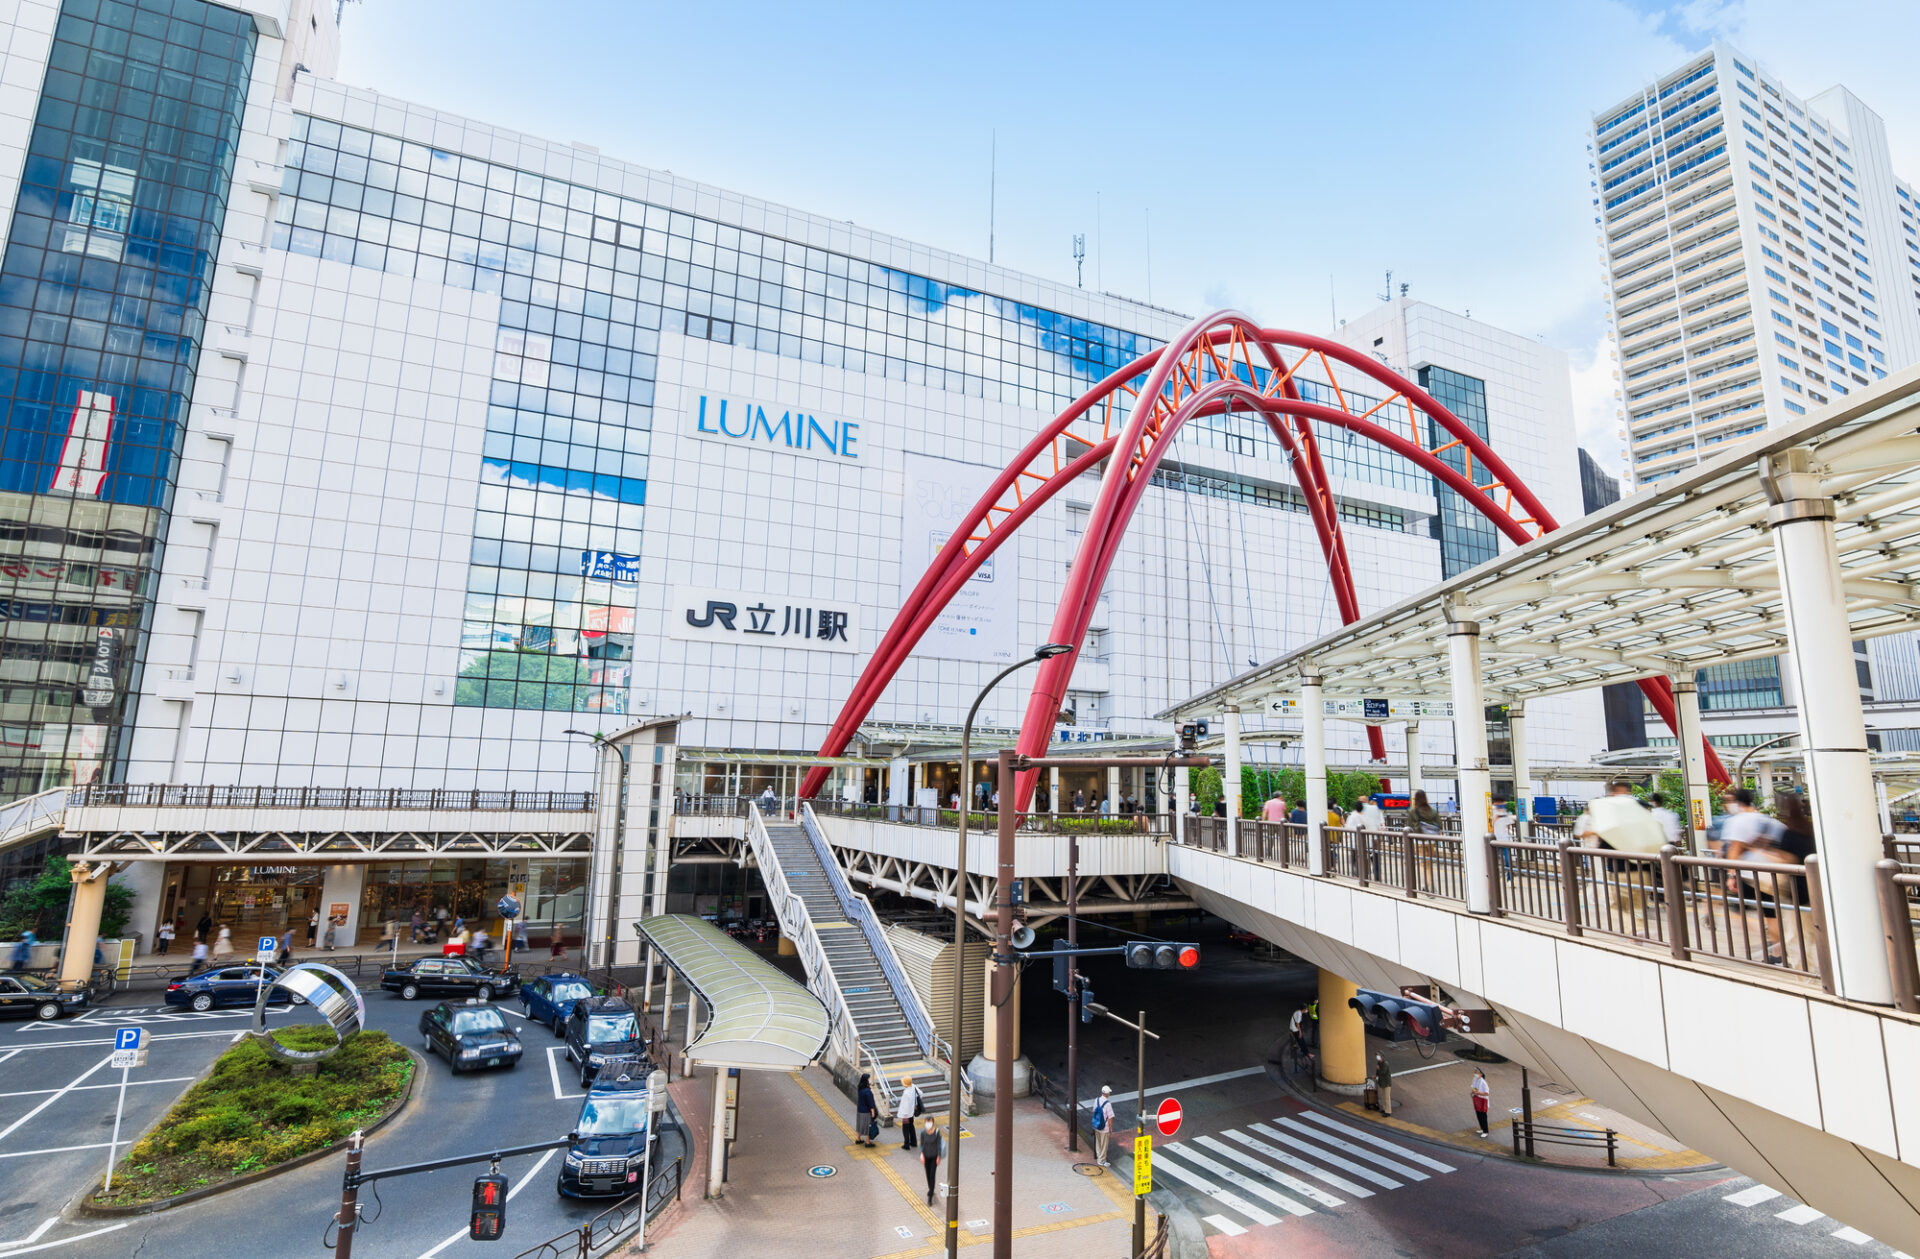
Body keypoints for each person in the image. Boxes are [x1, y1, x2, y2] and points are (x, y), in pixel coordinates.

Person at [920, 1116, 943, 1206]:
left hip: (934, 1157)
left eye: (929, 1122)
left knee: (932, 1175)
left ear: (933, 1123)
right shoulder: (923, 1133)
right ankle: (931, 1188)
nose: (928, 1124)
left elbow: (939, 1145)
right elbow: (922, 1144)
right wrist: (921, 1153)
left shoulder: (937, 1132)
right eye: (927, 1122)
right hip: (926, 1156)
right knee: (928, 1174)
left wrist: (939, 1156)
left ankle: (930, 1195)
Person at [1090, 1084, 1115, 1166]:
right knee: (1104, 1145)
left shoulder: (1096, 1100)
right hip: (1105, 1128)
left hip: (1097, 1125)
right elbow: (1110, 1117)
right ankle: (1102, 1161)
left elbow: (1094, 1111)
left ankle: (1099, 1157)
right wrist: (1111, 1128)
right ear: (1107, 1094)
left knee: (1098, 1142)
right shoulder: (1108, 1104)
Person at [897, 1075, 922, 1150]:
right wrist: (915, 1103)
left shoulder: (906, 1093)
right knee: (911, 1126)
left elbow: (905, 1106)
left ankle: (906, 1144)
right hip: (912, 1112)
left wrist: (904, 1116)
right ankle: (914, 1142)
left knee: (905, 1129)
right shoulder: (914, 1086)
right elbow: (921, 1093)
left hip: (906, 1114)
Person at [855, 1073, 877, 1148]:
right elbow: (870, 1103)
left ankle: (858, 1139)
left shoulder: (860, 1087)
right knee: (868, 1126)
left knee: (859, 1124)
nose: (870, 1080)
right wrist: (873, 1112)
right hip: (866, 1111)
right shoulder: (867, 1091)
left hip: (860, 1109)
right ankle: (868, 1142)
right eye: (869, 1078)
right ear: (867, 1080)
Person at [1471, 1068, 1491, 1137]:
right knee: (1478, 1114)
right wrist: (1474, 1091)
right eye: (1475, 1072)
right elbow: (1474, 1087)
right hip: (1477, 1099)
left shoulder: (1483, 1082)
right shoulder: (1475, 1079)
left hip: (1483, 1100)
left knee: (1483, 1116)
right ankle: (1482, 1128)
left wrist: (1478, 1093)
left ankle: (1486, 1131)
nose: (1475, 1073)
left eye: (1477, 1072)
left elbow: (1487, 1093)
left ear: (1481, 1074)